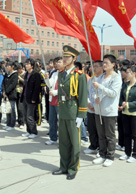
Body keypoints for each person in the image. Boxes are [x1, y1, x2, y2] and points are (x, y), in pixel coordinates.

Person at [52, 45, 87, 180]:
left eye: (67, 57)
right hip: (63, 110)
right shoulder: (61, 74)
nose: (64, 59)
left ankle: (73, 168)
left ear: (74, 58)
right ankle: (63, 166)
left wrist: (81, 115)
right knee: (64, 142)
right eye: (63, 56)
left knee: (74, 143)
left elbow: (83, 96)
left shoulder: (80, 75)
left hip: (73, 111)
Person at [92, 54, 122, 167]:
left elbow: (113, 93)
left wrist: (100, 87)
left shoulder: (116, 77)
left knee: (110, 135)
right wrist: (96, 98)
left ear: (113, 65)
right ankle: (102, 154)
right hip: (99, 110)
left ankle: (110, 156)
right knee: (101, 134)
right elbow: (95, 92)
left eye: (106, 63)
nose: (104, 65)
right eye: (103, 63)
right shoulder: (100, 77)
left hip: (109, 111)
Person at [118, 66, 136, 163]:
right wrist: (121, 104)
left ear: (134, 73)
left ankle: (135, 155)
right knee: (127, 134)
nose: (126, 74)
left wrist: (129, 104)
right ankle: (127, 153)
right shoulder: (125, 85)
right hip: (125, 113)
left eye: (128, 72)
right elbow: (121, 96)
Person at [84, 60, 103, 154]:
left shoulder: (104, 79)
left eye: (96, 66)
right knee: (91, 129)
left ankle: (101, 148)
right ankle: (93, 146)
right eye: (92, 66)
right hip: (90, 108)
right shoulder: (91, 79)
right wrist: (88, 104)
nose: (93, 68)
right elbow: (87, 93)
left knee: (100, 130)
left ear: (102, 67)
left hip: (99, 108)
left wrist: (95, 105)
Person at [20, 58, 42, 139]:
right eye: (25, 64)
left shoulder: (36, 74)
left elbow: (37, 88)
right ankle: (28, 131)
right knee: (25, 115)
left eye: (28, 64)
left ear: (32, 66)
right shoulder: (26, 74)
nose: (26, 65)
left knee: (30, 116)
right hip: (25, 97)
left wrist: (34, 98)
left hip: (32, 98)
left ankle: (34, 131)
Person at [46, 57, 63, 145]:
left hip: (61, 101)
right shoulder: (54, 73)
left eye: (59, 62)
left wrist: (56, 92)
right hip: (52, 101)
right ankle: (53, 138)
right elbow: (50, 84)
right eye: (56, 63)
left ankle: (63, 141)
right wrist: (46, 79)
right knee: (52, 120)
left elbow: (66, 89)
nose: (57, 64)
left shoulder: (66, 74)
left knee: (61, 123)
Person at [2, 62, 18, 131]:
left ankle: (12, 124)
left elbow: (13, 85)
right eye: (6, 66)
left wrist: (6, 91)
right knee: (7, 109)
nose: (7, 67)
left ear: (12, 66)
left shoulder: (15, 74)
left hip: (11, 94)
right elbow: (3, 83)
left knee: (12, 110)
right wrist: (3, 91)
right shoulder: (6, 74)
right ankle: (8, 124)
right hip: (6, 94)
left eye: (8, 66)